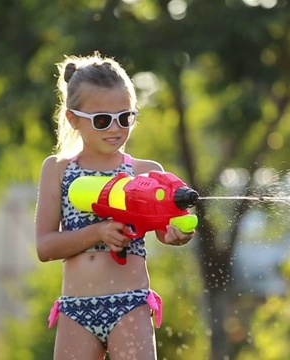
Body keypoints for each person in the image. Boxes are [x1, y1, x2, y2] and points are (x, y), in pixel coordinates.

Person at [35, 52, 195, 360]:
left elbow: (163, 229)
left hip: (130, 304)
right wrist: (99, 232)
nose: (116, 128)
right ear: (73, 119)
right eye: (102, 120)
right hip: (76, 309)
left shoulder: (144, 171)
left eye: (126, 117)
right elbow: (45, 246)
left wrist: (176, 234)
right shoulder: (57, 170)